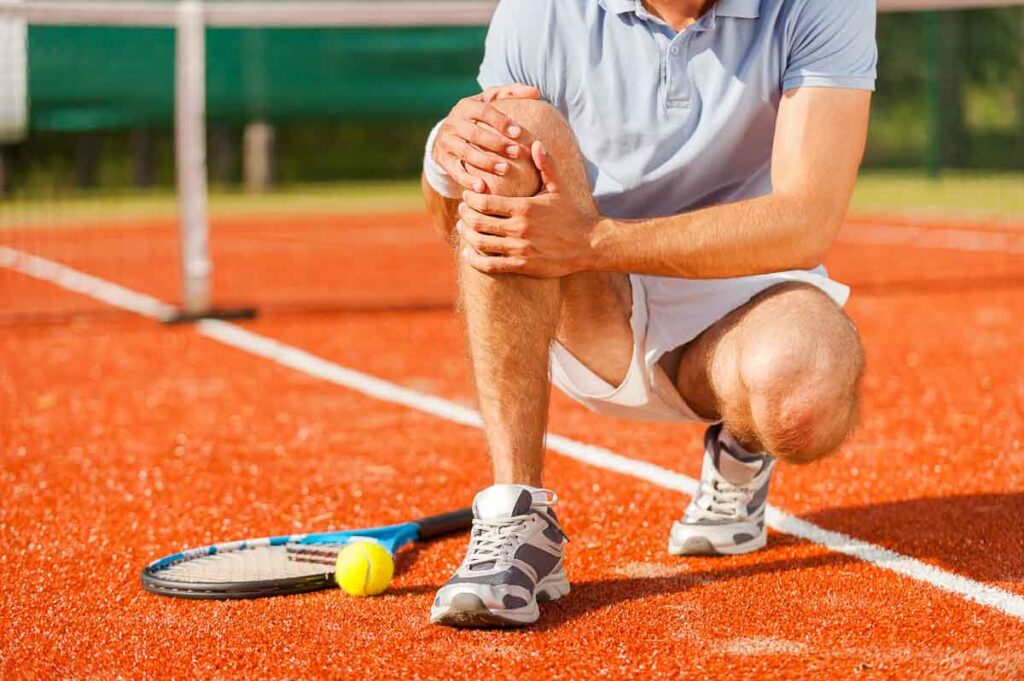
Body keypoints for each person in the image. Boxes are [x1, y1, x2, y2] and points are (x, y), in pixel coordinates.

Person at [420, 0, 876, 628]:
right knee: (511, 129)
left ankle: (740, 451)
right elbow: (460, 221)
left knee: (805, 395)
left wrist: (592, 238)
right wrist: (446, 159)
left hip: (741, 293)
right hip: (585, 298)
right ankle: (516, 513)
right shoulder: (538, 10)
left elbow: (807, 220)